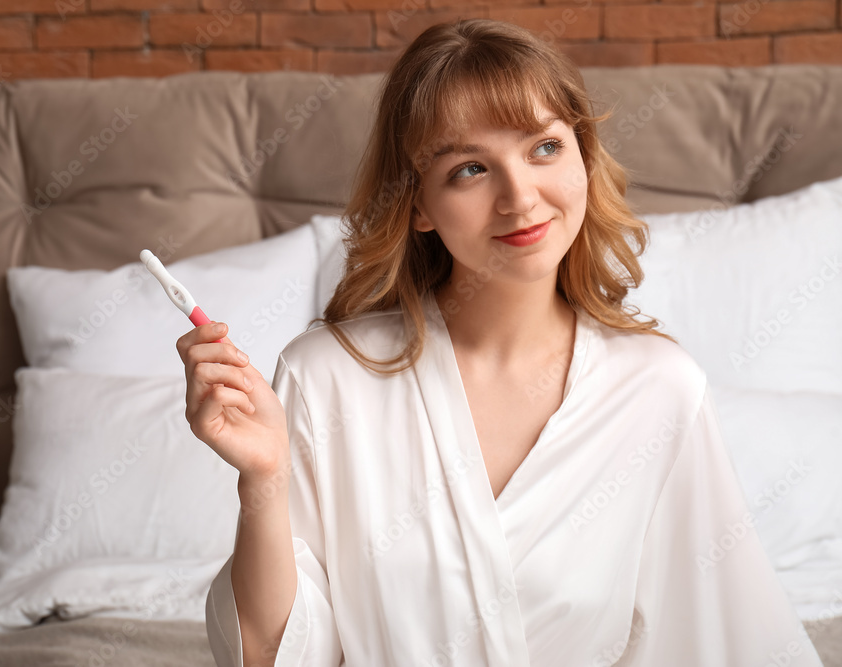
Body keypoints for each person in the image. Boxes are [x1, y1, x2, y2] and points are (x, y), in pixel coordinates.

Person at [178, 18, 825, 667]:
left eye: (544, 148)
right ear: (419, 204)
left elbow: (718, 634)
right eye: (469, 169)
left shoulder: (659, 388)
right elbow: (267, 654)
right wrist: (262, 477)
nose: (520, 197)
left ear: (584, 156)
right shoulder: (326, 378)